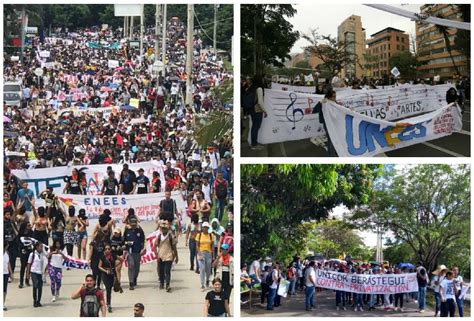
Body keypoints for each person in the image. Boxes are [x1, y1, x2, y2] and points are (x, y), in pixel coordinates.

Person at [154, 220, 179, 292]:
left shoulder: (170, 236)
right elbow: (155, 246)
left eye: (165, 228)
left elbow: (174, 247)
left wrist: (176, 257)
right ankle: (162, 283)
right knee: (161, 271)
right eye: (162, 228)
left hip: (169, 255)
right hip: (160, 255)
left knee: (167, 271)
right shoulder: (159, 236)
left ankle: (167, 284)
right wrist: (156, 255)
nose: (163, 229)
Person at [124, 217, 146, 290]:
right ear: (129, 223)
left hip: (138, 252)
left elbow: (143, 240)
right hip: (130, 252)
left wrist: (143, 249)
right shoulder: (127, 231)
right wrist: (127, 244)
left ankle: (135, 278)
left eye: (135, 224)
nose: (133, 225)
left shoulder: (139, 230)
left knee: (136, 267)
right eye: (132, 224)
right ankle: (131, 283)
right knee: (131, 266)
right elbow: (124, 241)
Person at [26, 242, 48, 307]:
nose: (41, 248)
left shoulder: (42, 254)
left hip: (40, 272)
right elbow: (29, 264)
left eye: (42, 247)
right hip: (34, 272)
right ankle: (35, 301)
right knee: (35, 285)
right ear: (37, 247)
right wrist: (28, 274)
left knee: (40, 287)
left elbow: (48, 255)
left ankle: (39, 301)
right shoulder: (32, 254)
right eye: (40, 246)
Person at [249, 75, 267, 150]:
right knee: (256, 127)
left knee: (254, 127)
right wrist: (265, 111)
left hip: (252, 109)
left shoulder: (252, 88)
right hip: (257, 110)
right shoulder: (259, 89)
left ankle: (254, 142)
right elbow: (260, 102)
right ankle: (254, 144)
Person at [197, 221, 214, 291]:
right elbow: (197, 245)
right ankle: (202, 284)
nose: (205, 229)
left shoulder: (211, 235)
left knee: (208, 269)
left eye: (206, 227)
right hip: (201, 252)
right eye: (204, 227)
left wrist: (213, 255)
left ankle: (207, 280)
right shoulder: (199, 235)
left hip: (209, 253)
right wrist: (199, 253)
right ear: (202, 228)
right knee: (202, 269)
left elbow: (212, 245)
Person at [98, 244, 116, 313]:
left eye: (109, 249)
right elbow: (99, 266)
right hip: (105, 274)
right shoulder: (102, 257)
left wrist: (115, 267)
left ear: (111, 249)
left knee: (109, 290)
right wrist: (106, 271)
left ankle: (108, 303)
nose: (107, 250)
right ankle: (107, 304)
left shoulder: (113, 256)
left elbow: (121, 259)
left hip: (112, 274)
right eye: (106, 249)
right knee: (107, 289)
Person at [18, 221, 34, 288]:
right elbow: (18, 243)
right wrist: (23, 246)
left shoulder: (31, 233)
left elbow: (33, 240)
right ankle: (21, 282)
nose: (30, 226)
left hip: (30, 251)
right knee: (23, 266)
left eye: (30, 225)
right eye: (28, 225)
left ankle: (27, 280)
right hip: (23, 251)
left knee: (29, 266)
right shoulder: (20, 234)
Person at [4, 243, 14, 311]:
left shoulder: (6, 253)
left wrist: (11, 274)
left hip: (5, 273)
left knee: (4, 290)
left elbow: (8, 263)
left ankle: (3, 303)